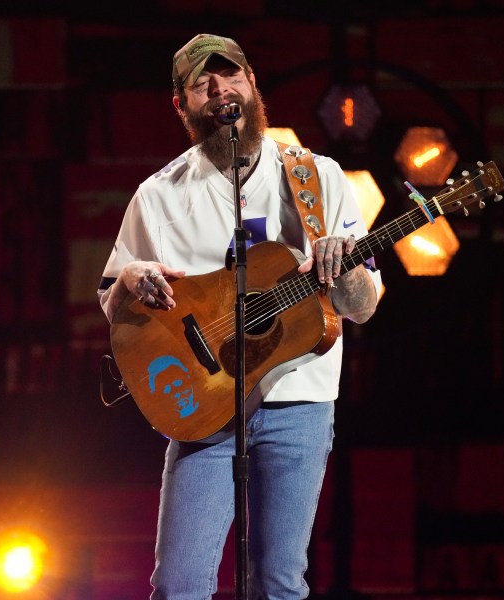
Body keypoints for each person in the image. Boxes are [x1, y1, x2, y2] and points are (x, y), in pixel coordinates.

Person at [97, 34, 382, 599]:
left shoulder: (317, 177)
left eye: (231, 77)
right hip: (205, 401)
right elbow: (112, 294)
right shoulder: (158, 194)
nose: (221, 91)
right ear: (182, 105)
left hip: (298, 402)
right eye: (203, 84)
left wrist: (344, 268)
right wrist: (131, 279)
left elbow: (362, 307)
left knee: (278, 582)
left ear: (252, 84)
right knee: (178, 585)